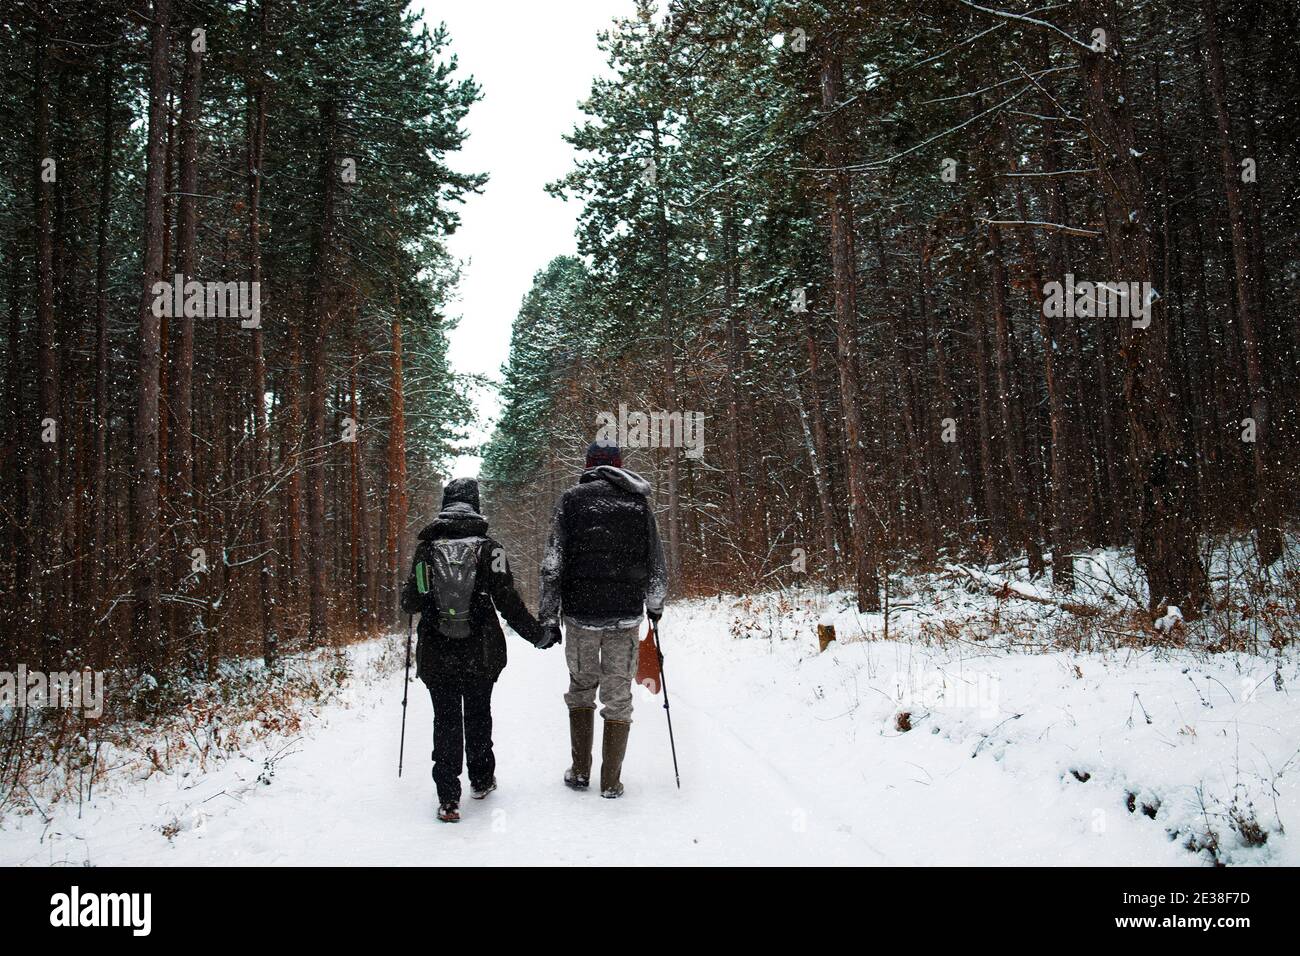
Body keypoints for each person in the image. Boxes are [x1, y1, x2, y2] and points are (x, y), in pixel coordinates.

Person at [400, 477, 556, 823]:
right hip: (480, 651)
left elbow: (410, 602)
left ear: (445, 505)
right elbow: (508, 602)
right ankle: (482, 779)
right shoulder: (492, 548)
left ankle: (448, 798)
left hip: (436, 652)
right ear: (476, 505)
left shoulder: (426, 550)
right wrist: (538, 635)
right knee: (478, 714)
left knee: (446, 720)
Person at [538, 439, 667, 798]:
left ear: (589, 465)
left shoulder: (570, 502)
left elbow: (552, 565)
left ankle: (580, 772)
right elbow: (656, 563)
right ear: (619, 465)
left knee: (581, 689)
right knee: (618, 695)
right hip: (625, 617)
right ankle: (611, 781)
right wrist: (654, 605)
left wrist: (549, 616)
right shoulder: (638, 505)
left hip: (580, 616)